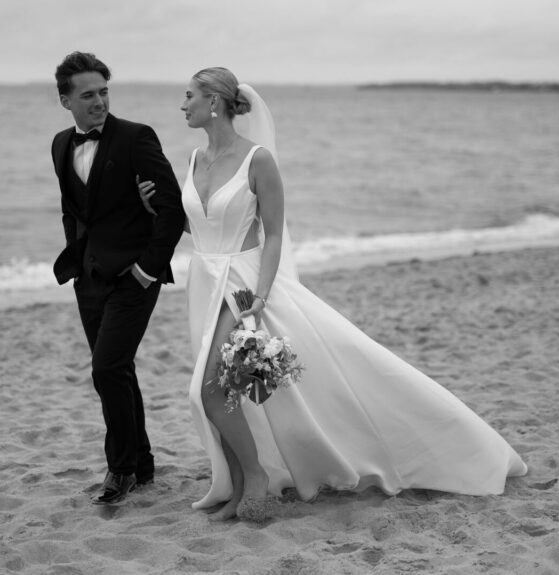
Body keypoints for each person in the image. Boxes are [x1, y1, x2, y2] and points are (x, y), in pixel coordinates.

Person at [141, 67, 527, 521]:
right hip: (202, 283)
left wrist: (260, 300)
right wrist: (155, 211)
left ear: (215, 103)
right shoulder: (192, 159)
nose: (181, 105)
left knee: (206, 390)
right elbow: (203, 227)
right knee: (228, 392)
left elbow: (276, 236)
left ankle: (258, 476)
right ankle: (238, 486)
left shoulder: (258, 160)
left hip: (242, 286)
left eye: (189, 96)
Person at [51, 52, 186, 505]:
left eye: (104, 92)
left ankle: (120, 469)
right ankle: (142, 463)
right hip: (88, 278)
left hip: (134, 277)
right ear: (65, 100)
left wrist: (147, 268)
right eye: (88, 95)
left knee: (106, 368)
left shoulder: (135, 138)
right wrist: (77, 262)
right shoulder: (59, 145)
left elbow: (171, 209)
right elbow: (73, 209)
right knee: (118, 370)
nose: (99, 102)